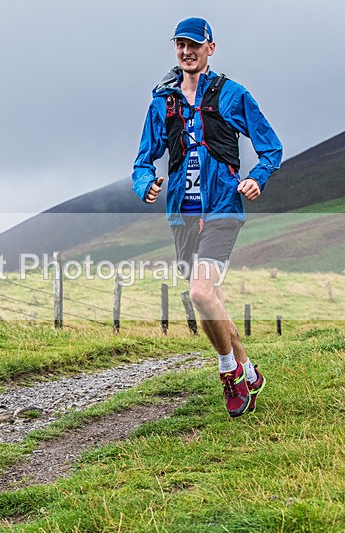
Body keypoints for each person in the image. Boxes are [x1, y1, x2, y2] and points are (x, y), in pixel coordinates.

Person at [131, 18, 282, 417]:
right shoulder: (161, 103)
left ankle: (228, 372)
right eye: (180, 45)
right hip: (181, 217)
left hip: (223, 211)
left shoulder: (233, 95)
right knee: (211, 298)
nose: (186, 51)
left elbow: (271, 148)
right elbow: (142, 161)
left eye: (194, 44)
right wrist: (145, 183)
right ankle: (250, 370)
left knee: (200, 293)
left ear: (210, 48)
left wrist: (256, 179)